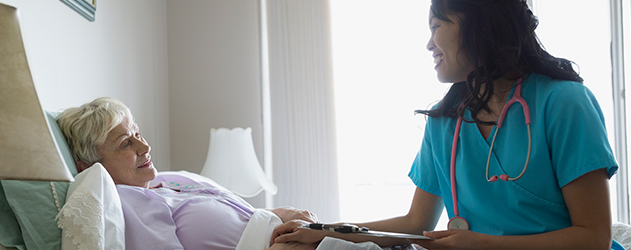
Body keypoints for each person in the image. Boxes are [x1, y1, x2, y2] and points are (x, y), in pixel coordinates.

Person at [271, 0, 624, 249]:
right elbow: (415, 224)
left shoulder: (564, 103)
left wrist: (484, 245)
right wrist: (322, 231)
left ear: (479, 26)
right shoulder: (444, 120)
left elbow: (592, 237)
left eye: (436, 26)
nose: (429, 44)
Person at [56, 97, 320, 250]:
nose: (145, 146)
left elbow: (251, 216)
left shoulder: (166, 180)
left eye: (138, 133)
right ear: (90, 166)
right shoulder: (127, 203)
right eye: (126, 143)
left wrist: (294, 215)